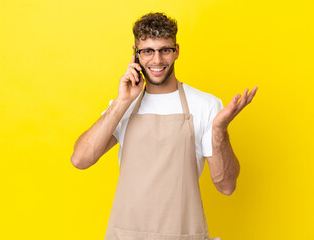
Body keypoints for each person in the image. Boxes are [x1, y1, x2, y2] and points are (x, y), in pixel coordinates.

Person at [70, 12, 258, 240]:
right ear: (136, 55)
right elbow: (80, 159)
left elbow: (226, 186)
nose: (157, 60)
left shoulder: (206, 105)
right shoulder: (123, 105)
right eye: (147, 51)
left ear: (176, 51)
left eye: (164, 50)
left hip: (182, 234)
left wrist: (219, 132)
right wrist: (121, 101)